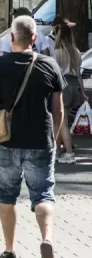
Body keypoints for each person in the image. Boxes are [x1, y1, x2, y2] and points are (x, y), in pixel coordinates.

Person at [0, 15, 63, 258]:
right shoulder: (50, 65)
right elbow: (58, 110)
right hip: (41, 140)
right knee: (43, 194)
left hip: (6, 141)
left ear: (11, 38)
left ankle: (9, 250)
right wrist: (54, 139)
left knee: (7, 195)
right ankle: (46, 239)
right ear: (35, 39)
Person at [52, 19, 82, 164]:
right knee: (62, 121)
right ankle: (57, 150)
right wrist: (82, 92)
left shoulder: (57, 53)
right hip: (74, 86)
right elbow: (79, 74)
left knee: (61, 122)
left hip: (62, 86)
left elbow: (53, 73)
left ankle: (69, 152)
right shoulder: (76, 52)